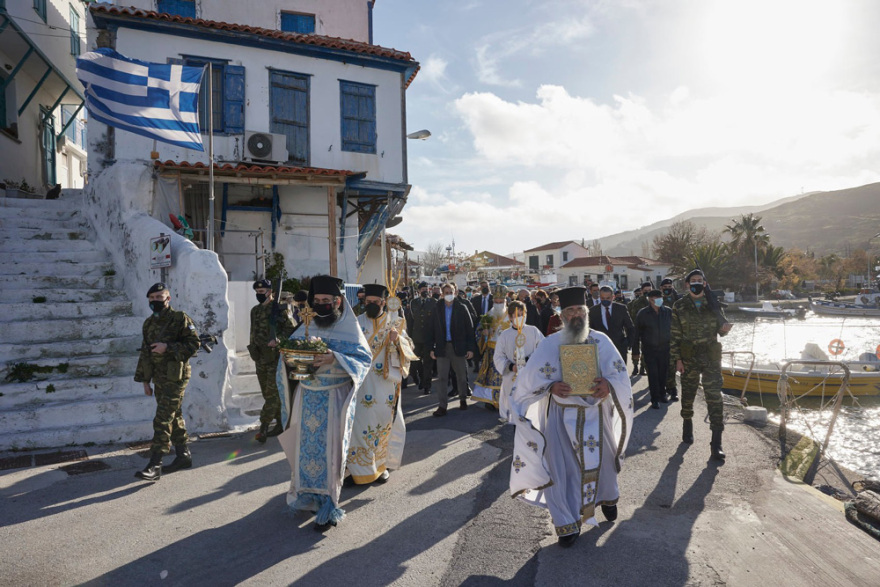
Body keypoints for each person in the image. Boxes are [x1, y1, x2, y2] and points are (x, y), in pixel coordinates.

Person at [510, 286, 633, 547]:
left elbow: (620, 375)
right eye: (569, 310)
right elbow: (528, 380)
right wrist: (550, 386)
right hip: (560, 416)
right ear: (562, 314)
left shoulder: (601, 340)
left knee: (605, 463)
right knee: (560, 469)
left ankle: (608, 499)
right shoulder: (550, 343)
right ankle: (566, 524)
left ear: (586, 312)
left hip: (596, 414)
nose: (575, 314)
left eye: (579, 309)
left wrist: (608, 386)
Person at [276, 275, 372, 530]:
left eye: (326, 300)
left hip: (333, 398)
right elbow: (291, 355)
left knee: (331, 453)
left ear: (338, 301)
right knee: (303, 450)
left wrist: (335, 358)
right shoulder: (309, 325)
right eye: (316, 300)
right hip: (306, 397)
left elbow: (364, 360)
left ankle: (328, 505)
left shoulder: (349, 328)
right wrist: (287, 357)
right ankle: (306, 495)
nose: (320, 305)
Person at [133, 283, 201, 481]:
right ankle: (183, 455)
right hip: (159, 377)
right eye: (152, 298)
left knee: (162, 417)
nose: (155, 301)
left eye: (159, 297)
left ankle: (155, 464)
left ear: (168, 298)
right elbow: (145, 354)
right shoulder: (148, 324)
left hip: (176, 376)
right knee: (174, 413)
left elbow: (194, 344)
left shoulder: (180, 318)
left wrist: (168, 347)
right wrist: (145, 380)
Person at [350, 284, 415, 484]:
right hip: (360, 384)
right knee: (357, 425)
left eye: (375, 302)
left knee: (383, 424)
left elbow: (410, 347)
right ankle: (355, 469)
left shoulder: (394, 322)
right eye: (367, 302)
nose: (370, 305)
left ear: (383, 303)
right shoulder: (355, 322)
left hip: (385, 385)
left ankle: (381, 466)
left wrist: (397, 341)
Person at [671, 269, 733, 461]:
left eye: (700, 280)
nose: (697, 283)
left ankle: (716, 444)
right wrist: (677, 360)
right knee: (688, 394)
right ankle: (687, 423)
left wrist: (725, 329)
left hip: (711, 358)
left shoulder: (713, 304)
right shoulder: (679, 305)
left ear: (705, 284)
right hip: (689, 358)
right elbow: (674, 335)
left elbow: (721, 331)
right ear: (687, 284)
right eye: (693, 280)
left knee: (715, 398)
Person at [248, 279, 297, 443]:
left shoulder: (281, 309)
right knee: (267, 392)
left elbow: (291, 330)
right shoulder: (255, 310)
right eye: (257, 292)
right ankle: (279, 424)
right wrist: (253, 348)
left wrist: (279, 340)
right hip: (260, 357)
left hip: (275, 356)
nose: (259, 295)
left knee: (273, 394)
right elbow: (253, 332)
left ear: (270, 292)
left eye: (262, 292)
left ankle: (263, 426)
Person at [430, 282, 476, 416]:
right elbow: (431, 330)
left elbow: (469, 330)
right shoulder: (437, 308)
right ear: (442, 294)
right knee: (442, 378)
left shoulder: (462, 308)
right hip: (442, 347)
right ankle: (442, 406)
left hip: (459, 347)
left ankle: (463, 399)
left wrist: (470, 348)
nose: (449, 295)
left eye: (451, 292)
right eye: (446, 293)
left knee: (461, 376)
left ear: (455, 293)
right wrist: (431, 348)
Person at [494, 301, 544, 422]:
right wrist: (512, 367)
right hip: (512, 377)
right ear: (510, 317)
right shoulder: (504, 335)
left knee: (531, 412)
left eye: (522, 314)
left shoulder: (533, 331)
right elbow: (498, 357)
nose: (520, 317)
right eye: (517, 315)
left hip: (531, 376)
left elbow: (543, 350)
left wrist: (528, 361)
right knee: (516, 412)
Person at [633, 290, 673, 409]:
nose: (657, 301)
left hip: (665, 349)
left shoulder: (668, 312)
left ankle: (662, 394)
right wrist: (635, 351)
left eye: (659, 297)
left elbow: (675, 330)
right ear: (649, 300)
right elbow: (637, 334)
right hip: (649, 349)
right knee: (653, 374)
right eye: (654, 298)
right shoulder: (643, 313)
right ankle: (655, 399)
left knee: (663, 373)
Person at [473, 285, 510, 410]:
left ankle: (505, 401)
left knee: (505, 377)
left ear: (505, 301)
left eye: (501, 302)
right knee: (490, 377)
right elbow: (478, 330)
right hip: (491, 351)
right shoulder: (488, 314)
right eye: (496, 302)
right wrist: (484, 333)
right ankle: (490, 400)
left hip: (506, 353)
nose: (498, 304)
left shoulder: (511, 315)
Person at [588, 286, 635, 366]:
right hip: (600, 350)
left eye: (608, 298)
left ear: (613, 297)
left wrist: (627, 343)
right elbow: (590, 330)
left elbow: (630, 327)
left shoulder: (621, 309)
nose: (605, 300)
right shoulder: (593, 311)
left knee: (619, 374)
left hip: (619, 348)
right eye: (603, 298)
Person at [409, 282, 436, 395]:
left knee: (428, 363)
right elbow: (411, 320)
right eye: (422, 289)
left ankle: (427, 385)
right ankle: (421, 379)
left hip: (429, 338)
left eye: (426, 289)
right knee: (416, 362)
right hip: (416, 338)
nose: (425, 290)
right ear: (419, 291)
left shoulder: (433, 302)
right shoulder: (414, 302)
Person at [660, 278, 680, 398]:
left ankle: (672, 388)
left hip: (674, 336)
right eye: (665, 287)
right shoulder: (657, 300)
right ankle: (662, 387)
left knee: (672, 364)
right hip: (661, 336)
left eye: (669, 286)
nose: (668, 289)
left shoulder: (677, 300)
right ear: (661, 288)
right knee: (662, 364)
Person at [628, 282, 653, 376]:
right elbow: (632, 315)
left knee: (645, 349)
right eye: (646, 290)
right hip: (637, 329)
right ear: (642, 291)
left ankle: (643, 368)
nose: (648, 292)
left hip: (649, 330)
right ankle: (635, 367)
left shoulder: (653, 302)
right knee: (635, 350)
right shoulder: (636, 302)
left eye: (650, 290)